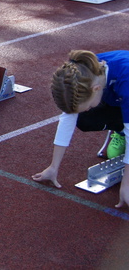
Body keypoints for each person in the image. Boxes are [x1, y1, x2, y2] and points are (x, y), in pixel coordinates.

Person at [32, 50, 129, 209]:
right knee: (85, 119)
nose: (87, 109)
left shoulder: (126, 81)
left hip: (126, 90)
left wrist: (126, 184)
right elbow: (68, 118)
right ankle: (120, 131)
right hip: (119, 96)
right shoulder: (81, 75)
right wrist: (53, 166)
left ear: (97, 89)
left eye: (88, 105)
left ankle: (123, 129)